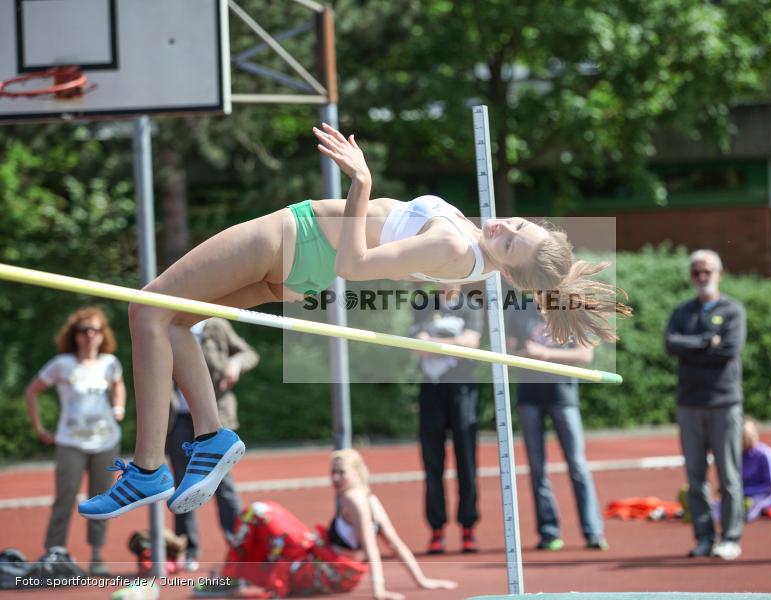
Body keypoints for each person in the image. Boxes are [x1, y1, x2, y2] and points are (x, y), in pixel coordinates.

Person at [78, 123, 631, 521]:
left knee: (144, 308)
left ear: (510, 271)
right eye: (517, 223)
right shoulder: (473, 254)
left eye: (512, 240)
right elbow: (398, 258)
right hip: (299, 270)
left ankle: (150, 468)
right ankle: (210, 436)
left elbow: (357, 264)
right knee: (173, 323)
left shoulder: (454, 244)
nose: (504, 226)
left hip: (298, 238)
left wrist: (361, 182)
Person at [214, 449, 457, 599]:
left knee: (259, 513)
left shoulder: (354, 499)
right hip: (333, 569)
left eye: (342, 472)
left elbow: (373, 547)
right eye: (333, 472)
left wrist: (378, 591)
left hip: (330, 571)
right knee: (271, 526)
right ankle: (233, 576)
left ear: (357, 472)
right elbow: (395, 544)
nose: (336, 478)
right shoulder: (369, 498)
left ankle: (231, 576)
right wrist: (422, 581)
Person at [25, 306, 126, 575]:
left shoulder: (110, 363)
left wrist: (119, 408)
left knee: (101, 499)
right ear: (75, 335)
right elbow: (32, 391)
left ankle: (97, 555)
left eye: (95, 329)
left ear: (103, 334)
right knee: (65, 498)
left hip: (106, 442)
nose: (90, 335)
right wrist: (39, 428)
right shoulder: (62, 364)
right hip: (70, 442)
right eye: (83, 330)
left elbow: (119, 385)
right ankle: (53, 554)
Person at [507, 295, 609, 551]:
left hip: (563, 397)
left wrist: (546, 354)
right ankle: (548, 532)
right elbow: (508, 351)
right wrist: (525, 353)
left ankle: (593, 531)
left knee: (577, 464)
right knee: (537, 468)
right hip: (530, 398)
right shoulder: (518, 309)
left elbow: (585, 354)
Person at [665, 249, 746, 560]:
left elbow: (727, 350)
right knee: (695, 478)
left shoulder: (733, 311)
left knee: (728, 476)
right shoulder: (682, 311)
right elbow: (670, 344)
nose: (701, 277)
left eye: (707, 272)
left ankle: (731, 538)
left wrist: (693, 347)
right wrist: (704, 341)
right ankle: (703, 538)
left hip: (724, 403)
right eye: (696, 272)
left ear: (719, 275)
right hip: (689, 404)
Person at [166, 317, 258, 571]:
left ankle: (239, 544)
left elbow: (248, 352)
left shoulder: (214, 325)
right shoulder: (166, 325)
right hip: (179, 419)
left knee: (222, 482)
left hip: (213, 418)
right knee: (184, 486)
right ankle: (188, 550)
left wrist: (235, 363)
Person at [409, 282, 483, 554]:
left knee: (466, 461)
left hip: (462, 390)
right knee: (432, 463)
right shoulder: (422, 305)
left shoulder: (471, 305)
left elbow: (472, 342)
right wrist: (453, 344)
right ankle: (437, 529)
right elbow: (417, 347)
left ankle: (468, 527)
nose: (445, 278)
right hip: (431, 391)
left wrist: (436, 343)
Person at [739, 417, 771, 522]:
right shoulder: (737, 455)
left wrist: (744, 491)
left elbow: (770, 486)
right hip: (741, 494)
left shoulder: (764, 454)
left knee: (753, 507)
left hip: (764, 495)